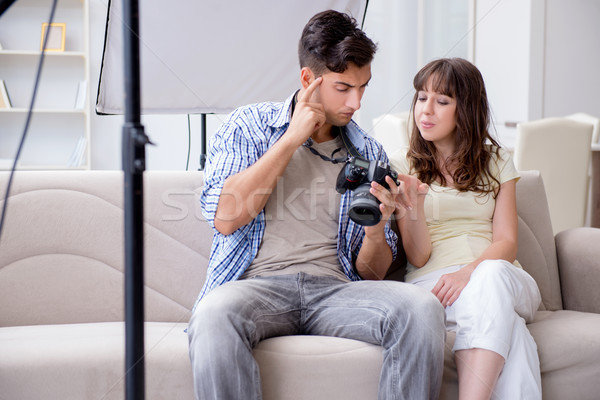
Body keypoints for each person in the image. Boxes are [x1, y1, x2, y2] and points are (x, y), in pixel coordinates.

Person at [187, 9, 446, 400]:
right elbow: (226, 218)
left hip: (336, 292)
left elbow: (373, 274)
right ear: (309, 80)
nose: (356, 102)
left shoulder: (367, 151)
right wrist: (291, 138)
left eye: (363, 87)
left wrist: (376, 230)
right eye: (344, 88)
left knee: (421, 309)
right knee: (212, 314)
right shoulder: (248, 126)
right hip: (258, 287)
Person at [389, 57, 542, 400]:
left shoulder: (497, 160)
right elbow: (418, 255)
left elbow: (506, 242)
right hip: (436, 287)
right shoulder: (402, 165)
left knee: (490, 280)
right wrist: (411, 208)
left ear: (467, 109)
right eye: (421, 97)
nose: (426, 110)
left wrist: (469, 274)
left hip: (502, 276)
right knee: (513, 335)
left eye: (442, 101)